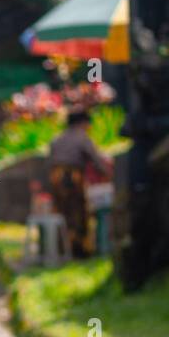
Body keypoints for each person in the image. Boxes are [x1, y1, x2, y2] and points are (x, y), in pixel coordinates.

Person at [47, 107, 113, 258]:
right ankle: (80, 249)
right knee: (79, 213)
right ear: (82, 123)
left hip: (56, 179)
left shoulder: (57, 138)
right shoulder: (82, 137)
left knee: (62, 213)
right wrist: (108, 174)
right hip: (73, 178)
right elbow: (96, 160)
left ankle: (62, 249)